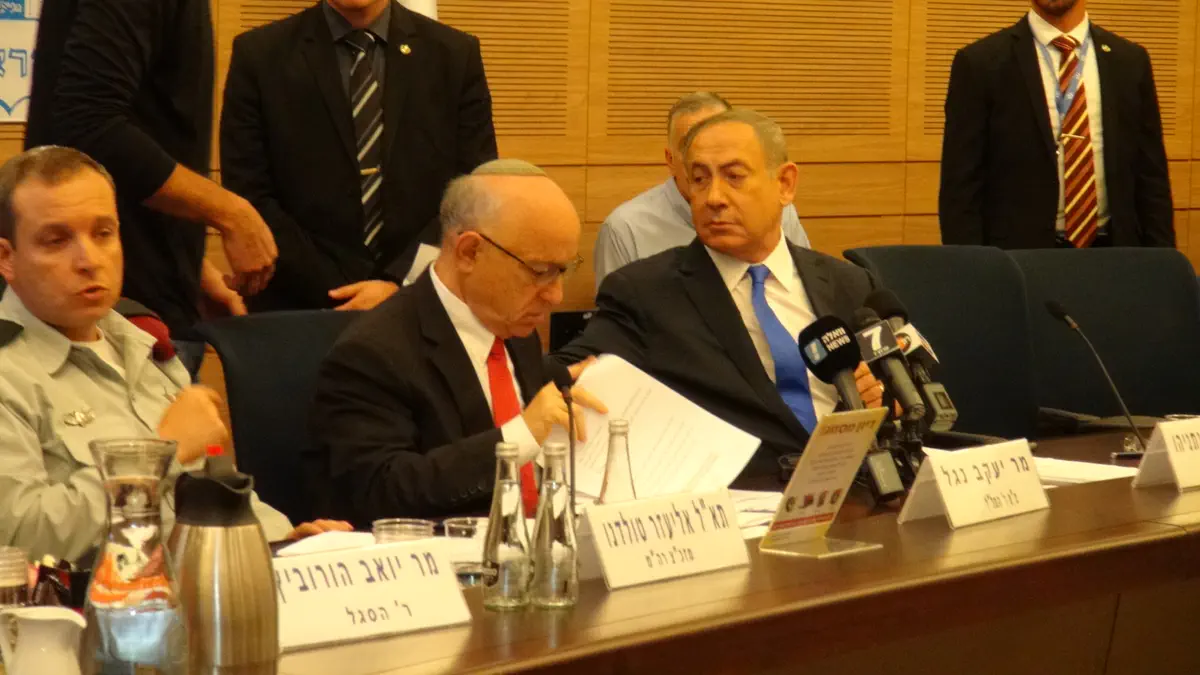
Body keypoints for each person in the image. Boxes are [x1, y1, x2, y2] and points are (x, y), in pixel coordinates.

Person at [0, 147, 347, 563]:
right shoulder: (9, 372)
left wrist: (285, 542)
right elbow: (20, 540)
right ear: (7, 258)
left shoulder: (144, 343)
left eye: (103, 233)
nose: (88, 260)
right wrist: (161, 452)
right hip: (103, 600)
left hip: (204, 581)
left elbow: (213, 486)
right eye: (56, 241)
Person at [555, 110, 886, 484]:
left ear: (785, 184)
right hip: (735, 499)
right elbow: (566, 375)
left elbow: (902, 388)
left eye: (734, 177)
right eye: (699, 179)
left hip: (860, 488)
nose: (713, 197)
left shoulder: (849, 283)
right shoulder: (645, 293)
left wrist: (878, 396)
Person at [310, 159, 606, 526]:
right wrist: (518, 438)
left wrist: (570, 380)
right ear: (469, 252)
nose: (556, 295)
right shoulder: (372, 354)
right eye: (540, 271)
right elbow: (379, 492)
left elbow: (505, 389)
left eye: (563, 270)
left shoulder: (515, 329)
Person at [23, 0, 279, 375]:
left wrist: (187, 263)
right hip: (114, 322)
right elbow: (89, 125)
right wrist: (233, 214)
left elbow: (142, 121)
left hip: (135, 304)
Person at [220, 0, 498, 313]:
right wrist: (341, 292)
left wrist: (401, 283)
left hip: (420, 305)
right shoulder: (259, 55)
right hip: (298, 309)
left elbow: (475, 189)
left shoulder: (455, 54)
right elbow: (249, 191)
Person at [939, 0, 1174, 249]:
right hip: (1019, 258)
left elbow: (1152, 177)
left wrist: (1162, 261)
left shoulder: (1130, 62)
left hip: (1115, 252)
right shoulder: (980, 63)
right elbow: (960, 188)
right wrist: (971, 266)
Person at [593, 92, 809, 291]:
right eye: (690, 145)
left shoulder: (776, 209)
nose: (715, 197)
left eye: (733, 175)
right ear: (670, 159)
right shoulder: (626, 228)